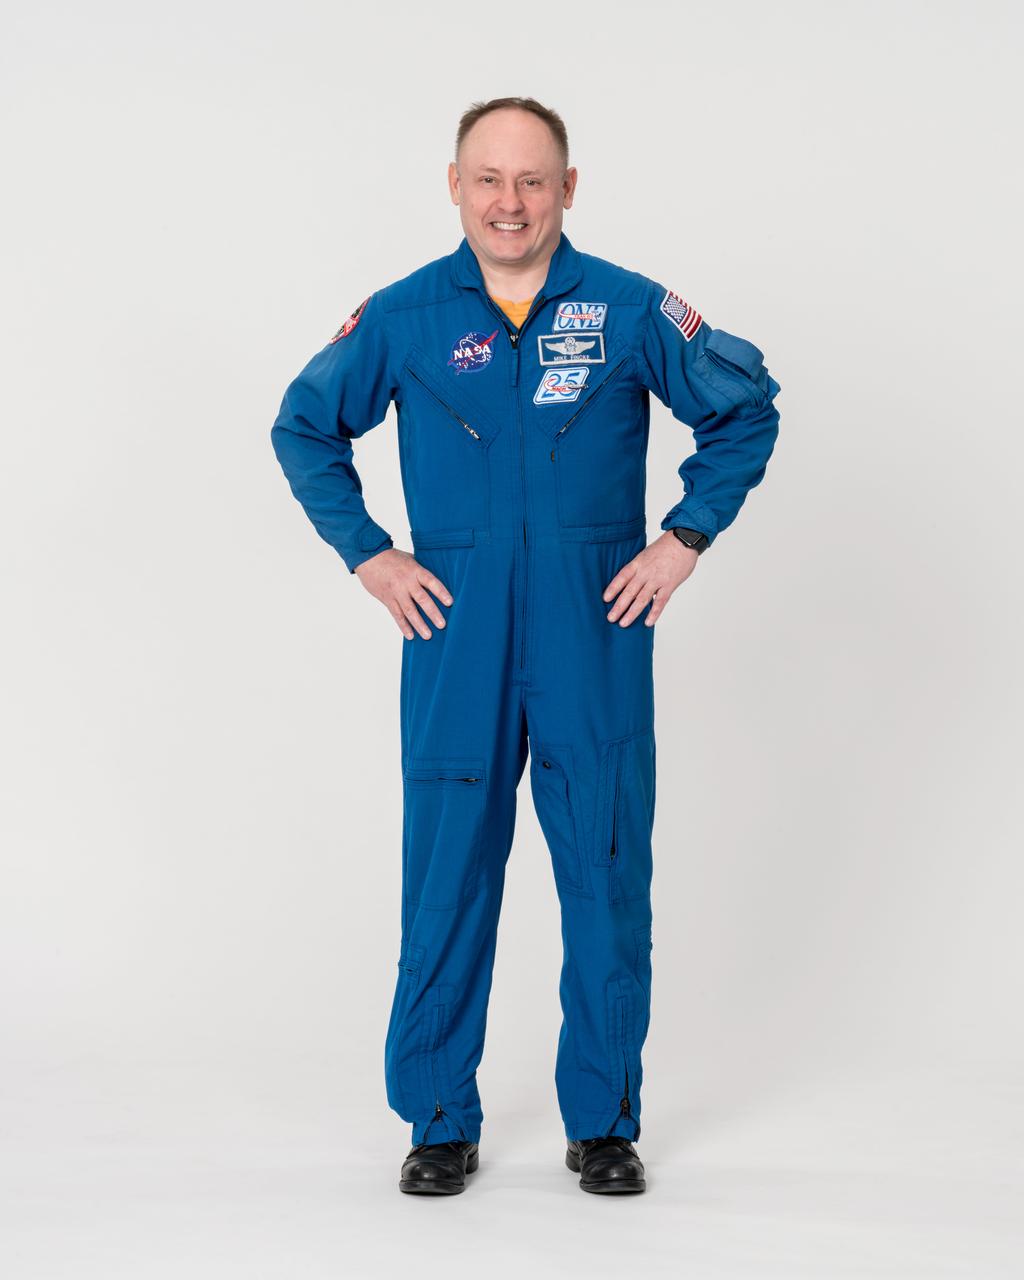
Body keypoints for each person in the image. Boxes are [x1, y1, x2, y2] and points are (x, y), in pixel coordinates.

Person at [270, 96, 781, 1197]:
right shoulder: (405, 317)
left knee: (604, 875)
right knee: (446, 876)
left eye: (532, 180)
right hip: (454, 632)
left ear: (568, 188)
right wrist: (370, 555)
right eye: (490, 179)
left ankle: (601, 1121)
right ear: (453, 184)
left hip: (591, 631)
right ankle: (439, 1118)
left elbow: (747, 408)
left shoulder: (632, 308)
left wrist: (683, 537)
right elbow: (303, 424)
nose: (511, 202)